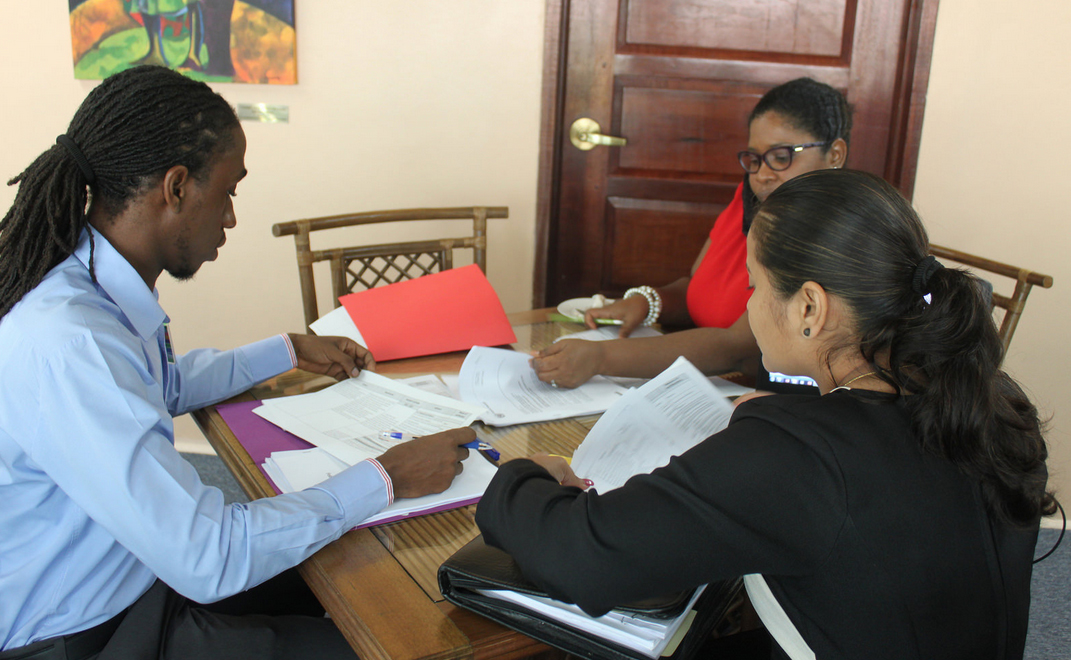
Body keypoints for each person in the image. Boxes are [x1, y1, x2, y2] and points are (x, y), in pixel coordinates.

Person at [477, 169, 1055, 659]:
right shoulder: (994, 400)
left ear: (810, 306)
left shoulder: (795, 452)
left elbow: (582, 554)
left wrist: (522, 476)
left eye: (753, 287)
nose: (748, 307)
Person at [0, 66, 474, 660]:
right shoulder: (70, 341)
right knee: (400, 643)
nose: (230, 217)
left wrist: (288, 349)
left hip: (142, 566)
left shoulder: (91, 284)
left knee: (360, 569)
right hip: (87, 632)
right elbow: (209, 555)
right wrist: (388, 476)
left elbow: (160, 386)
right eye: (228, 191)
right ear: (176, 187)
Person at [531, 77, 849, 388]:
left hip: (756, 398)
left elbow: (740, 349)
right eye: (755, 159)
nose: (763, 174)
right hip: (703, 383)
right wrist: (647, 300)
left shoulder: (834, 233)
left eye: (782, 157)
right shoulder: (751, 199)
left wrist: (600, 357)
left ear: (834, 154)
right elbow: (698, 289)